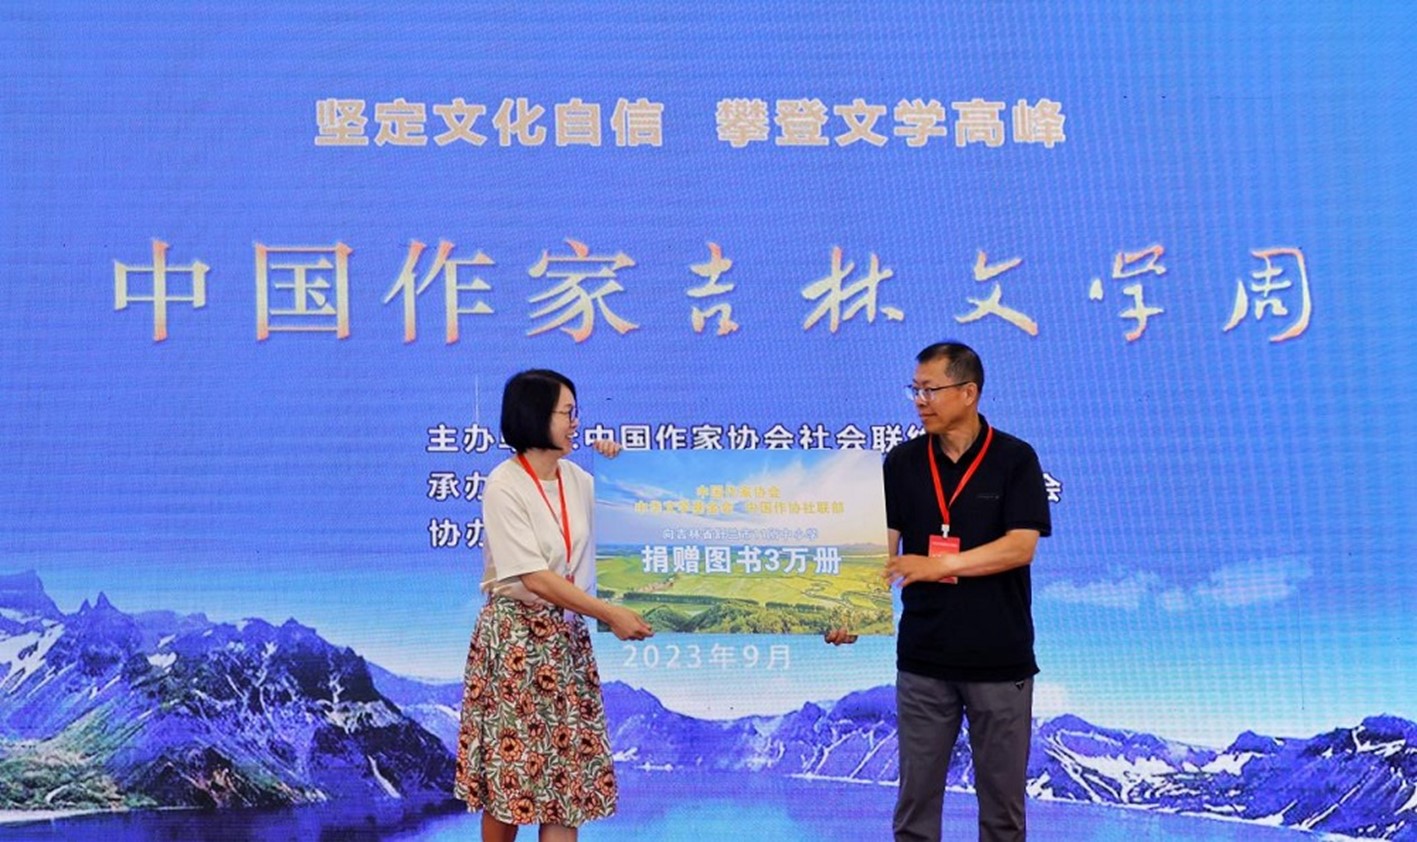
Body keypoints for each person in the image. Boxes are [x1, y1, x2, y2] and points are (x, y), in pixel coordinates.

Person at [827, 341, 1051, 842]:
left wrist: (939, 564)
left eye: (930, 390)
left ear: (969, 392)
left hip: (1000, 663)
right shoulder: (903, 463)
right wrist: (852, 612)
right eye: (915, 390)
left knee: (1003, 816)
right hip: (923, 662)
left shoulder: (1015, 459)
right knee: (914, 813)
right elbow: (882, 551)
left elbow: (1020, 547)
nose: (919, 401)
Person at [454, 368, 653, 842]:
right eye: (567, 412)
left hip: (566, 638)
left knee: (566, 782)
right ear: (536, 416)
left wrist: (624, 469)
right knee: (511, 778)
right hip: (515, 642)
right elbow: (534, 577)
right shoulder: (505, 484)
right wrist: (608, 613)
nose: (575, 422)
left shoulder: (579, 480)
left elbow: (641, 513)